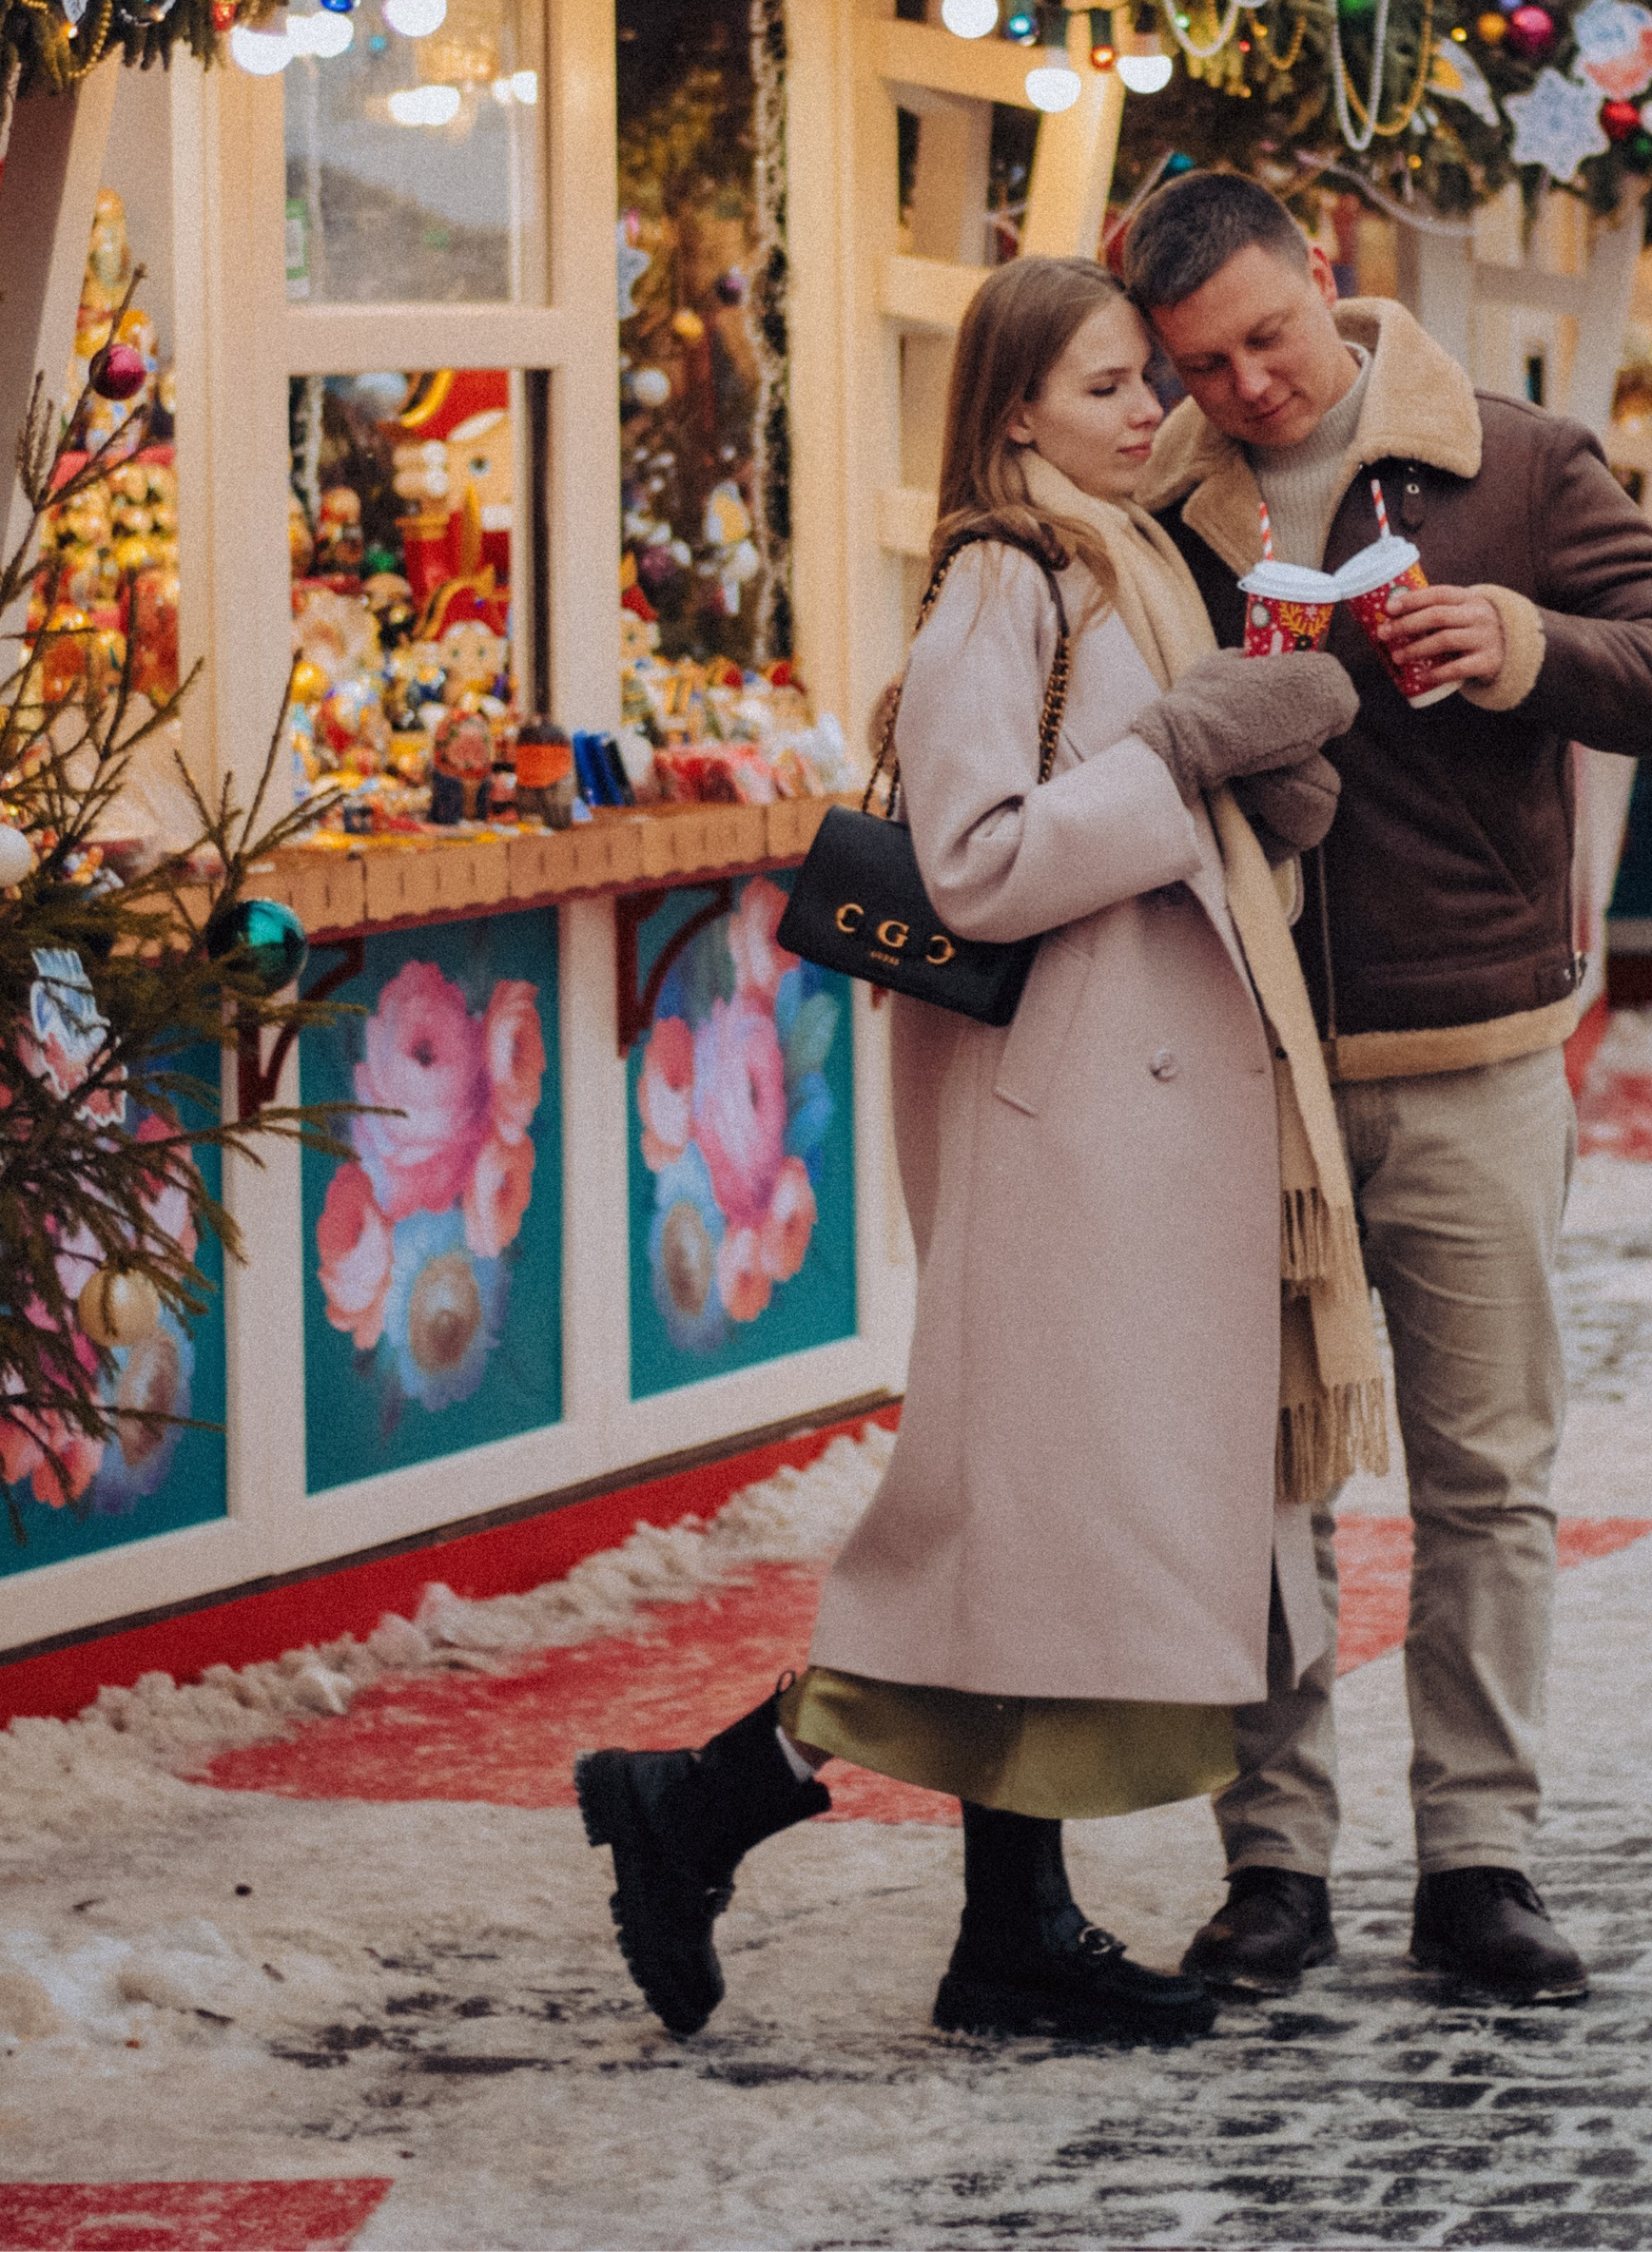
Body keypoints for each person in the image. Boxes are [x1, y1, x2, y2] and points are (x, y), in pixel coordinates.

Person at [575, 254, 1382, 2049]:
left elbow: (1166, 817)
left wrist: (1266, 773)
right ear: (1015, 405)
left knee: (1046, 1549)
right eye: (1108, 386)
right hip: (1066, 1138)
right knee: (1027, 1537)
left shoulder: (1137, 562)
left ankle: (991, 1925)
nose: (1147, 411)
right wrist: (1185, 757)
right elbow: (975, 862)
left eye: (1144, 384)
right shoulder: (1003, 581)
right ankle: (708, 1808)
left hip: (1135, 1131)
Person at [1123, 171, 1652, 2010]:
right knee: (1266, 1484)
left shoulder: (1519, 461)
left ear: (1331, 280)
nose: (1247, 385)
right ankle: (1274, 1868)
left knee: (1486, 1478)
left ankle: (1480, 1860)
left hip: (1473, 1058)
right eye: (1202, 364)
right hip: (1247, 1065)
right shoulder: (1152, 504)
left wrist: (1525, 648)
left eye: (1268, 337)